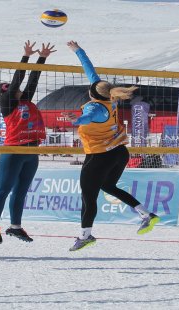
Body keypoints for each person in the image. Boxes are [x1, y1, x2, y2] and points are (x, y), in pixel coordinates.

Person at [62, 40, 159, 252]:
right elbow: (90, 71)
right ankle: (146, 214)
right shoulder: (109, 97)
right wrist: (78, 51)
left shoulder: (95, 108)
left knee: (88, 197)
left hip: (99, 156)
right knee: (108, 186)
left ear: (92, 94)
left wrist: (74, 120)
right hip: (119, 152)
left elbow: (86, 119)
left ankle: (85, 236)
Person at [0, 40, 55, 245]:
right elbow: (19, 79)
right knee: (3, 189)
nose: (15, 89)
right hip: (14, 151)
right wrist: (26, 56)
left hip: (31, 152)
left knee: (21, 191)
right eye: (8, 89)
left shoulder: (25, 100)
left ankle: (15, 227)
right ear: (3, 95)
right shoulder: (7, 104)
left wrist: (42, 58)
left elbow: (33, 79)